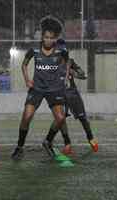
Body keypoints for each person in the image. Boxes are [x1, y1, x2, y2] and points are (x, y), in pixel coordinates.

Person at [11, 17, 69, 160]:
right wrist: (27, 80)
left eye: (51, 38)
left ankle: (48, 141)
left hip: (54, 89)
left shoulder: (61, 51)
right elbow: (24, 64)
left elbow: (67, 64)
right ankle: (20, 146)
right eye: (46, 37)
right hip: (37, 88)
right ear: (42, 36)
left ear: (55, 38)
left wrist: (65, 78)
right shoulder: (34, 50)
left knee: (61, 118)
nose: (48, 40)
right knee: (27, 117)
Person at [54, 39, 98, 155]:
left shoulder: (70, 62)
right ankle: (67, 143)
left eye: (62, 49)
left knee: (83, 118)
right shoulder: (51, 63)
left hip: (72, 94)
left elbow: (83, 75)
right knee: (60, 119)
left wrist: (75, 73)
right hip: (59, 94)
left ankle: (91, 139)